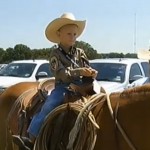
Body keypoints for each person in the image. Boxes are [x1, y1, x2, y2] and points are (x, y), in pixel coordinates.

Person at [13, 12, 98, 150]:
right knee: (49, 105)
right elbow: (61, 74)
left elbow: (87, 66)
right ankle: (30, 138)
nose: (73, 37)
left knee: (100, 100)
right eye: (69, 34)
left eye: (75, 34)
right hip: (63, 86)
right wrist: (79, 71)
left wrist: (91, 72)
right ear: (59, 34)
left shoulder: (80, 52)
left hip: (81, 86)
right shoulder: (55, 54)